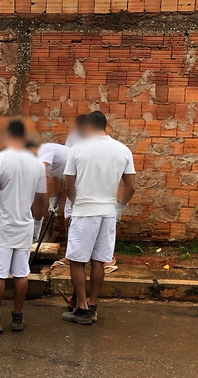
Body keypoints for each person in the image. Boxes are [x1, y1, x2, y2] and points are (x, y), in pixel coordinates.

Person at [0, 121, 47, 333]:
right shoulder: (37, 165)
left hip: (1, 228)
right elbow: (41, 200)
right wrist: (37, 223)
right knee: (21, 274)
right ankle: (17, 319)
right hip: (24, 227)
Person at [61, 111, 136, 325]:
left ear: (87, 127)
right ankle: (93, 304)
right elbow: (131, 186)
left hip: (84, 211)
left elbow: (68, 186)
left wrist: (76, 205)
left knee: (76, 260)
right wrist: (119, 208)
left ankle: (82, 308)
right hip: (108, 212)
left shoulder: (77, 149)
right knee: (99, 261)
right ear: (105, 126)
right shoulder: (122, 150)